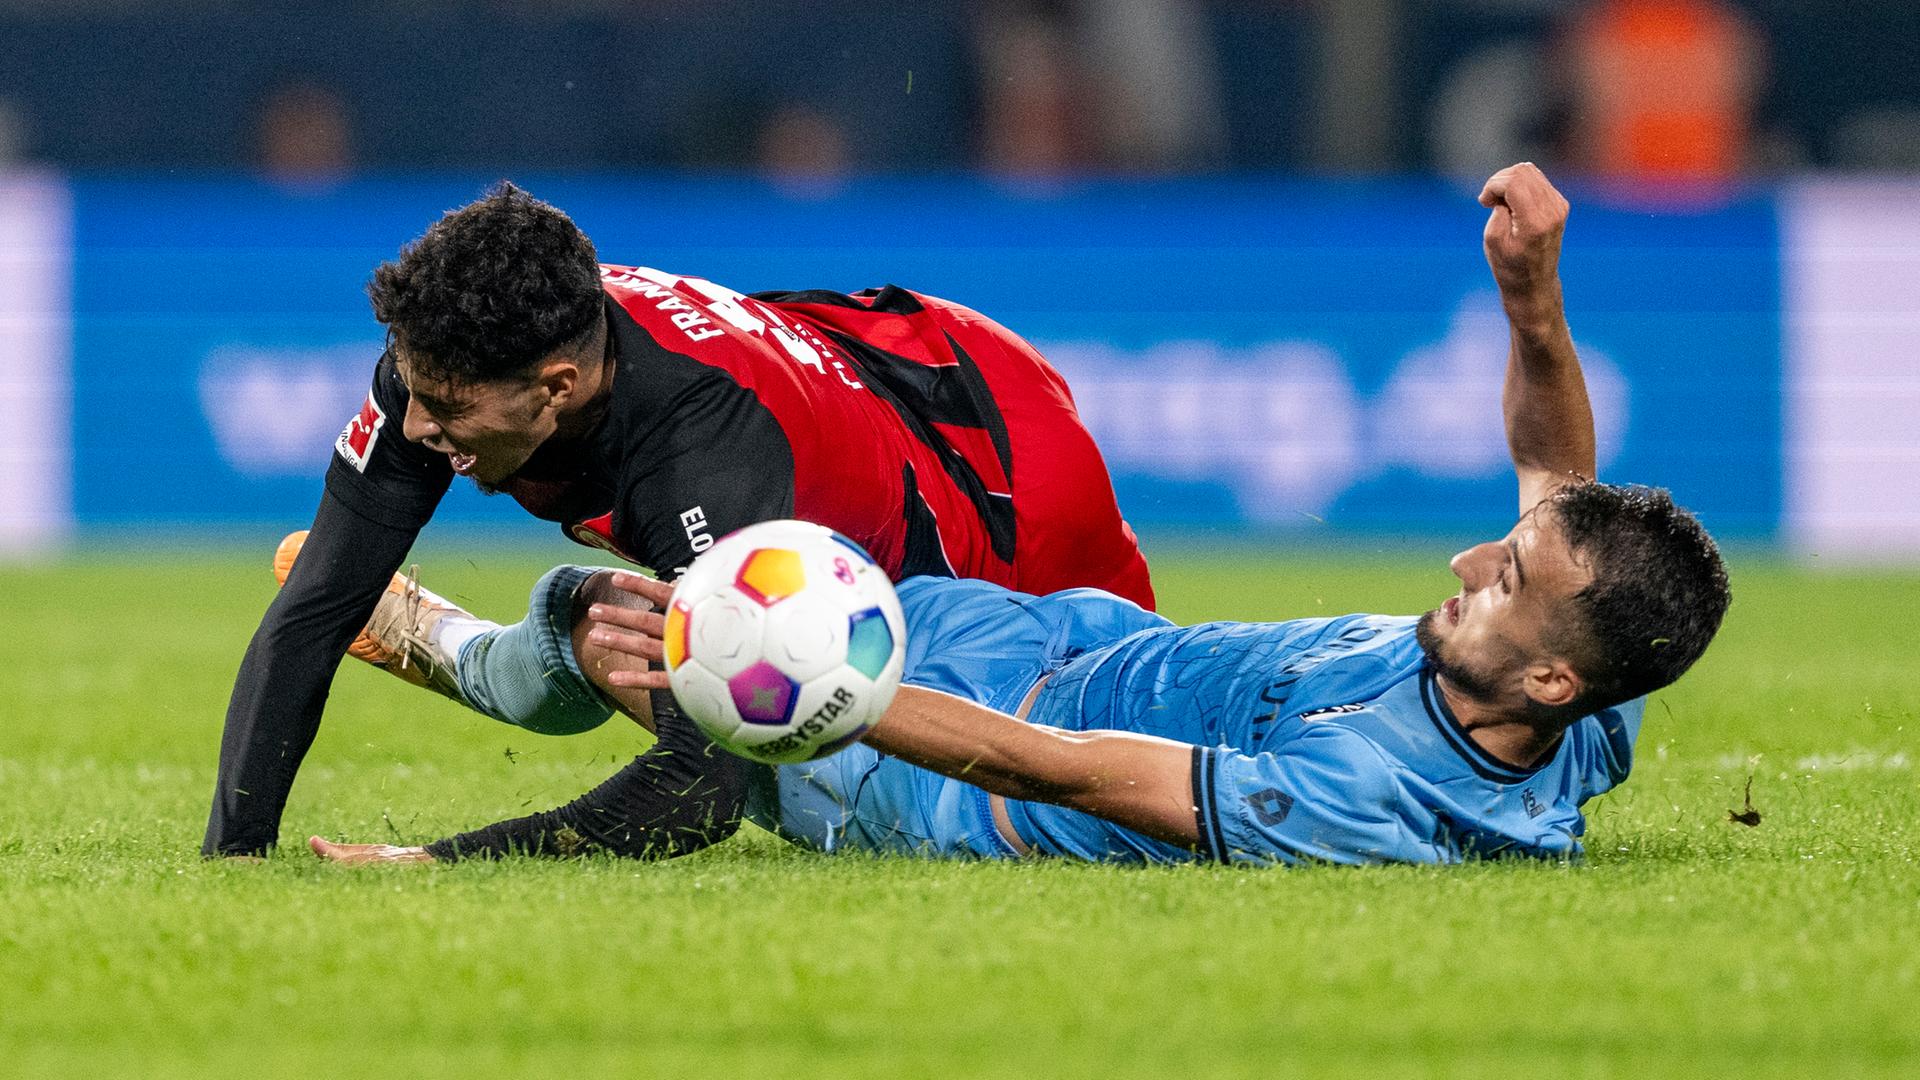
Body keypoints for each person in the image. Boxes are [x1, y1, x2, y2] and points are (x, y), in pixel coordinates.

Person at [311, 163, 1731, 868]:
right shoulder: (1590, 699)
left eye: (1505, 582)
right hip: (1032, 622)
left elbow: (1072, 776)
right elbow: (1558, 485)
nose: (1474, 558)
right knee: (683, 608)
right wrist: (1531, 297)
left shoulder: (1379, 801)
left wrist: (830, 692)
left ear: (1547, 667)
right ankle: (510, 641)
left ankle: (463, 649)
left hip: (940, 777)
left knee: (640, 646)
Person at [204, 183, 1154, 858]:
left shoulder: (700, 461)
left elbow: (701, 793)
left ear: (556, 388)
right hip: (850, 387)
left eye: (444, 412)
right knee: (621, 632)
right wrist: (238, 859)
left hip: (1002, 475)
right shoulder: (457, 362)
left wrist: (440, 863)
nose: (414, 428)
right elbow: (316, 608)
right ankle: (457, 642)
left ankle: (452, 645)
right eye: (409, 390)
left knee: (1098, 754)